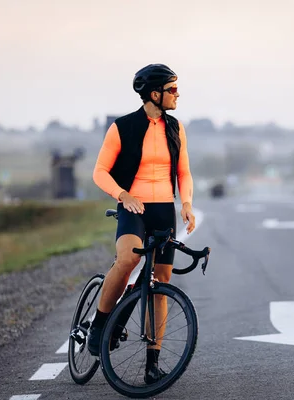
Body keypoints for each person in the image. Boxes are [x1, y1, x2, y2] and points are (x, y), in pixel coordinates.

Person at [89, 63, 195, 384]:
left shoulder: (175, 128)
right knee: (128, 260)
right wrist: (122, 195)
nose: (178, 95)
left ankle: (153, 363)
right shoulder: (122, 127)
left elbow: (184, 172)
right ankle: (99, 327)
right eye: (172, 89)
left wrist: (186, 203)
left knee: (160, 284)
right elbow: (99, 172)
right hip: (132, 207)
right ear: (154, 94)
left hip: (163, 209)